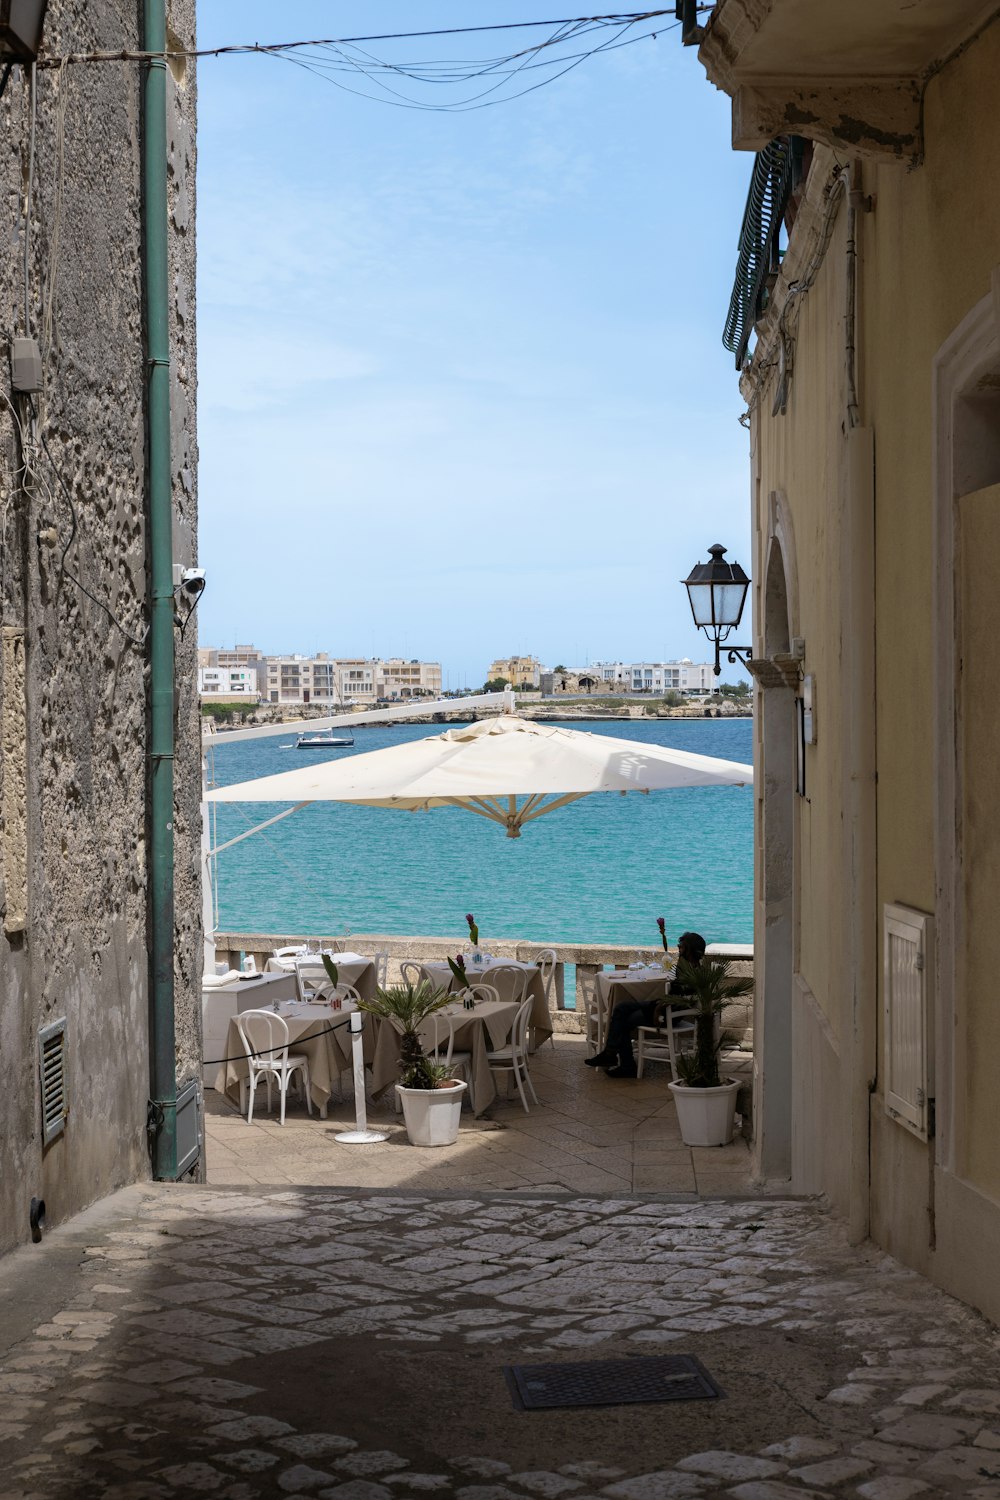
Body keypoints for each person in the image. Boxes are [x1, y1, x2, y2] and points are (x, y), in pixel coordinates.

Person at [585, 931, 707, 1079]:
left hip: (667, 1013)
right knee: (621, 1008)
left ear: (690, 950)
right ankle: (612, 1055)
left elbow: (681, 999)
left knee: (621, 1020)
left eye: (681, 946)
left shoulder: (694, 973)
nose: (679, 949)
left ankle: (624, 1064)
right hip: (663, 1005)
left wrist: (658, 1009)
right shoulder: (686, 965)